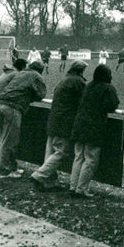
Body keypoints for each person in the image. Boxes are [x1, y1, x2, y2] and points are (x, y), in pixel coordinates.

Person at [30, 59, 88, 192]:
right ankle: (39, 175)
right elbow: (83, 102)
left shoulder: (64, 80)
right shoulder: (78, 82)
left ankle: (48, 182)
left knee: (50, 151)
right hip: (64, 122)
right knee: (61, 152)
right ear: (81, 70)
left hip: (53, 119)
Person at [69, 64, 120, 198]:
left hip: (79, 125)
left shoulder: (88, 86)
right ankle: (81, 189)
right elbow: (112, 105)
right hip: (94, 127)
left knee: (78, 157)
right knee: (90, 159)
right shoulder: (107, 88)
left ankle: (73, 186)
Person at [0, 60, 47, 178]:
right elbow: (42, 94)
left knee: (5, 139)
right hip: (12, 108)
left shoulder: (21, 73)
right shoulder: (36, 75)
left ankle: (11, 167)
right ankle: (6, 171)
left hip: (0, 105)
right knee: (10, 141)